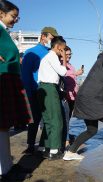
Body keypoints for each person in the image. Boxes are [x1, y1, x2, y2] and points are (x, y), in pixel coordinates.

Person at [0, 0, 33, 177]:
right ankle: (5, 170)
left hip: (8, 78)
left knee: (3, 126)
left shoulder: (4, 32)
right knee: (2, 126)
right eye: (13, 16)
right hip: (3, 79)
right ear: (1, 14)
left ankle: (7, 167)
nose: (15, 20)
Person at [21, 26, 58, 155]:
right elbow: (25, 74)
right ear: (43, 36)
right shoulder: (31, 52)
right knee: (35, 119)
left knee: (49, 119)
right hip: (35, 90)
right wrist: (29, 92)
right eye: (51, 38)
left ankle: (46, 144)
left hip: (50, 91)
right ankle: (31, 145)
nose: (52, 41)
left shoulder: (52, 53)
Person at [37, 36, 67, 160]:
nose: (64, 51)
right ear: (59, 47)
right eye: (63, 49)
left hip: (42, 88)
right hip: (49, 89)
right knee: (56, 120)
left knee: (48, 120)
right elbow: (63, 72)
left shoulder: (46, 57)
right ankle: (54, 151)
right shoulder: (52, 57)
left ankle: (45, 148)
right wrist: (64, 58)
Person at [61, 46, 83, 148]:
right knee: (64, 120)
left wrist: (77, 74)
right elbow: (63, 73)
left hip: (72, 97)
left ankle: (67, 138)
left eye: (70, 54)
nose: (69, 56)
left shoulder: (71, 65)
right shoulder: (60, 64)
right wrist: (75, 73)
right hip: (65, 95)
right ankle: (66, 141)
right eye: (67, 54)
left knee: (68, 119)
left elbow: (72, 79)